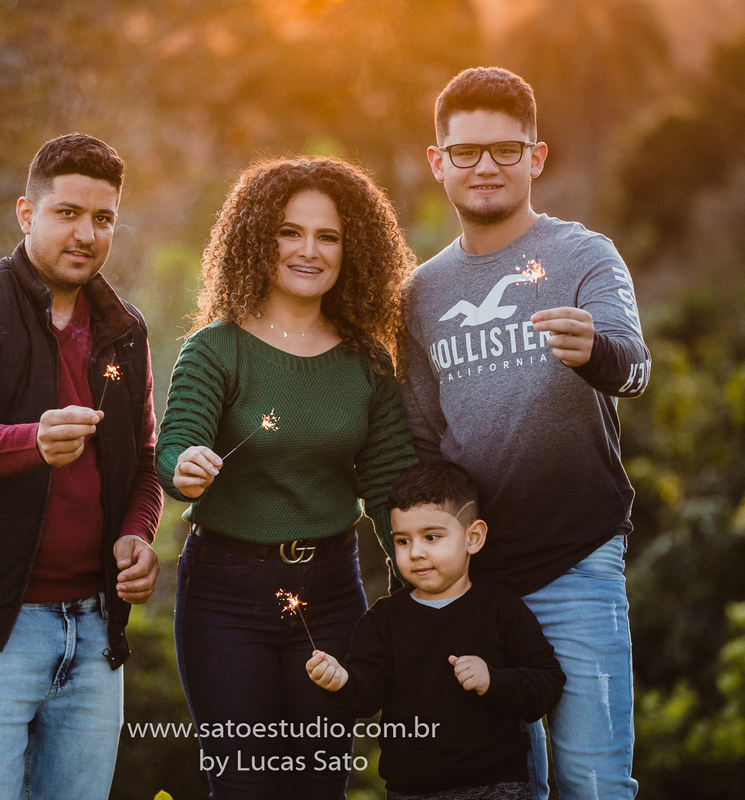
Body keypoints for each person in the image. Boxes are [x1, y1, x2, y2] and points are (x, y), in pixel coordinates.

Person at [399, 67, 651, 799]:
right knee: (500, 788)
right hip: (471, 584)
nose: (486, 167)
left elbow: (635, 367)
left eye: (506, 150)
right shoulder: (421, 293)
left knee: (594, 781)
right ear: (437, 162)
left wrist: (594, 351)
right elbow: (421, 439)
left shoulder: (584, 256)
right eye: (468, 151)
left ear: (535, 158)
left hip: (578, 564)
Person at [0, 133, 163, 799]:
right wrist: (35, 440)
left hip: (95, 632)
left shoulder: (123, 329)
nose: (87, 234)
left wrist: (137, 532)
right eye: (67, 213)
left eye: (103, 218)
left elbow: (144, 465)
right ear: (27, 213)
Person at [155, 156, 418, 799]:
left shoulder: (367, 362)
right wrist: (186, 468)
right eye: (289, 232)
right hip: (225, 595)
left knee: (319, 787)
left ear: (350, 250)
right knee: (245, 787)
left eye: (327, 237)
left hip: (330, 595)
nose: (309, 251)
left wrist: (428, 588)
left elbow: (390, 488)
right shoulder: (216, 348)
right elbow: (176, 443)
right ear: (256, 240)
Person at [307, 460, 565, 800]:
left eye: (431, 537)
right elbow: (367, 694)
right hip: (411, 791)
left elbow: (547, 683)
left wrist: (493, 680)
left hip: (497, 786)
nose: (416, 553)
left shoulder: (501, 608)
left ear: (473, 537)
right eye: (402, 541)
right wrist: (341, 682)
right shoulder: (383, 620)